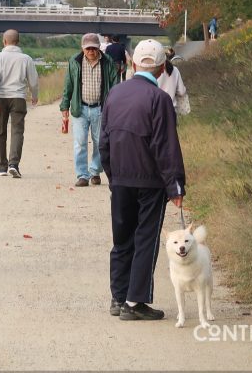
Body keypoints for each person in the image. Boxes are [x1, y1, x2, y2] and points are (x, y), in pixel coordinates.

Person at [100, 38, 186, 320]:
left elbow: (104, 141)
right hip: (150, 181)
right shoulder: (160, 99)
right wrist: (175, 185)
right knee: (145, 238)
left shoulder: (114, 94)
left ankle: (118, 296)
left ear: (133, 64)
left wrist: (113, 174)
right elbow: (166, 146)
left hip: (121, 178)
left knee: (122, 237)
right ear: (162, 69)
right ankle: (134, 303)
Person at [59, 32, 119, 187]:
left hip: (100, 109)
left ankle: (94, 172)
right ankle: (82, 175)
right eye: (88, 49)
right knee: (80, 143)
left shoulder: (108, 62)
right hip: (81, 108)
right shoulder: (75, 61)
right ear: (82, 48)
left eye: (94, 48)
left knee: (101, 143)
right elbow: (68, 85)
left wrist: (114, 107)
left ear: (99, 48)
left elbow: (114, 86)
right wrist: (64, 106)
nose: (91, 51)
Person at [0, 29, 39, 178]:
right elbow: (34, 81)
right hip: (18, 98)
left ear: (4, 42)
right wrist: (34, 95)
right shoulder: (26, 58)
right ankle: (14, 164)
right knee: (17, 131)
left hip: (1, 97)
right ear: (18, 42)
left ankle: (2, 167)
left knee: (0, 132)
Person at [158, 48, 189, 116]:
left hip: (156, 110)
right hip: (171, 111)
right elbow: (181, 91)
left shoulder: (154, 71)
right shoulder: (175, 70)